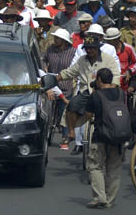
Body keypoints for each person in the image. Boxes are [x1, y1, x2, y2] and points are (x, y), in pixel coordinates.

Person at [56, 36, 120, 152]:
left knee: (113, 116)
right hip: (87, 91)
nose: (89, 50)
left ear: (98, 48)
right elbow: (69, 72)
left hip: (105, 92)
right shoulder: (82, 60)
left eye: (92, 48)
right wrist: (56, 79)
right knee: (72, 106)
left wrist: (111, 87)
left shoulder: (108, 59)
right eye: (87, 48)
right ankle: (71, 133)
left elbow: (116, 76)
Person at [84, 68, 124, 209]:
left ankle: (99, 197)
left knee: (95, 166)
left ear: (99, 80)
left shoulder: (96, 95)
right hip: (118, 136)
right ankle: (110, 200)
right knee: (113, 169)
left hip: (100, 136)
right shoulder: (121, 93)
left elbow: (88, 115)